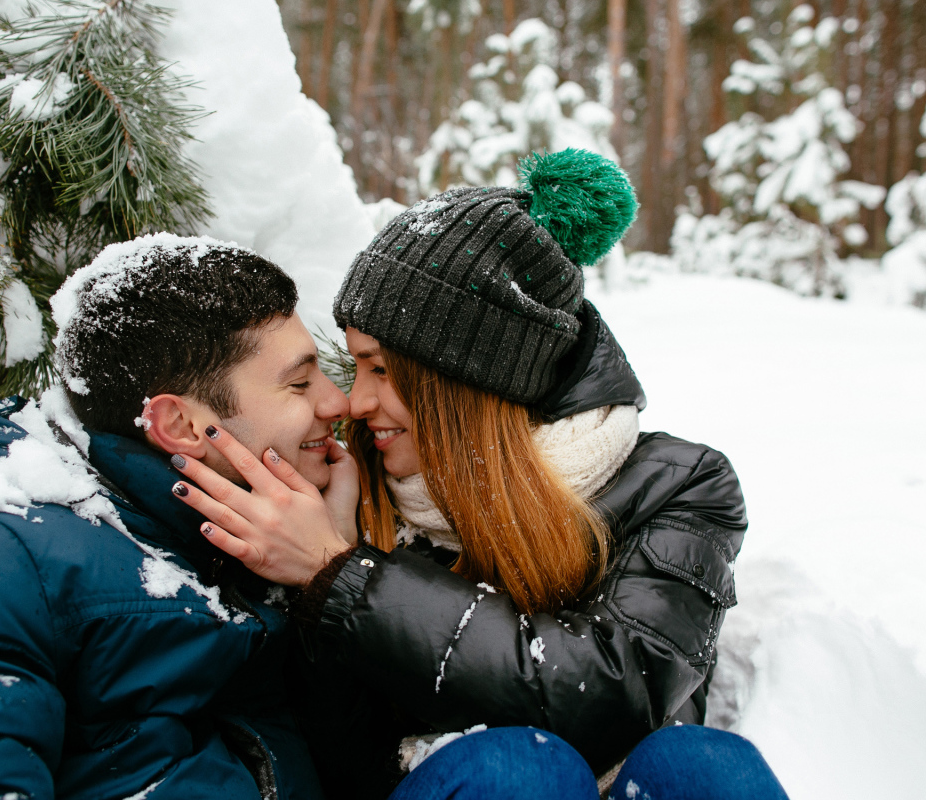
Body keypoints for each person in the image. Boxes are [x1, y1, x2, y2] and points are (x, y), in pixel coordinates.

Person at [168, 150, 789, 799]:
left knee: (700, 764)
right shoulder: (354, 485)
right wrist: (328, 578)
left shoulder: (678, 486)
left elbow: (606, 698)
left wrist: (343, 574)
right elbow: (342, 761)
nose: (353, 402)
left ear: (467, 381)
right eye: (356, 367)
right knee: (515, 771)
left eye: (381, 370)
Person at [0, 233, 356, 799]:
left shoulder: (249, 537)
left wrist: (332, 576)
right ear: (182, 427)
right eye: (298, 383)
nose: (337, 401)